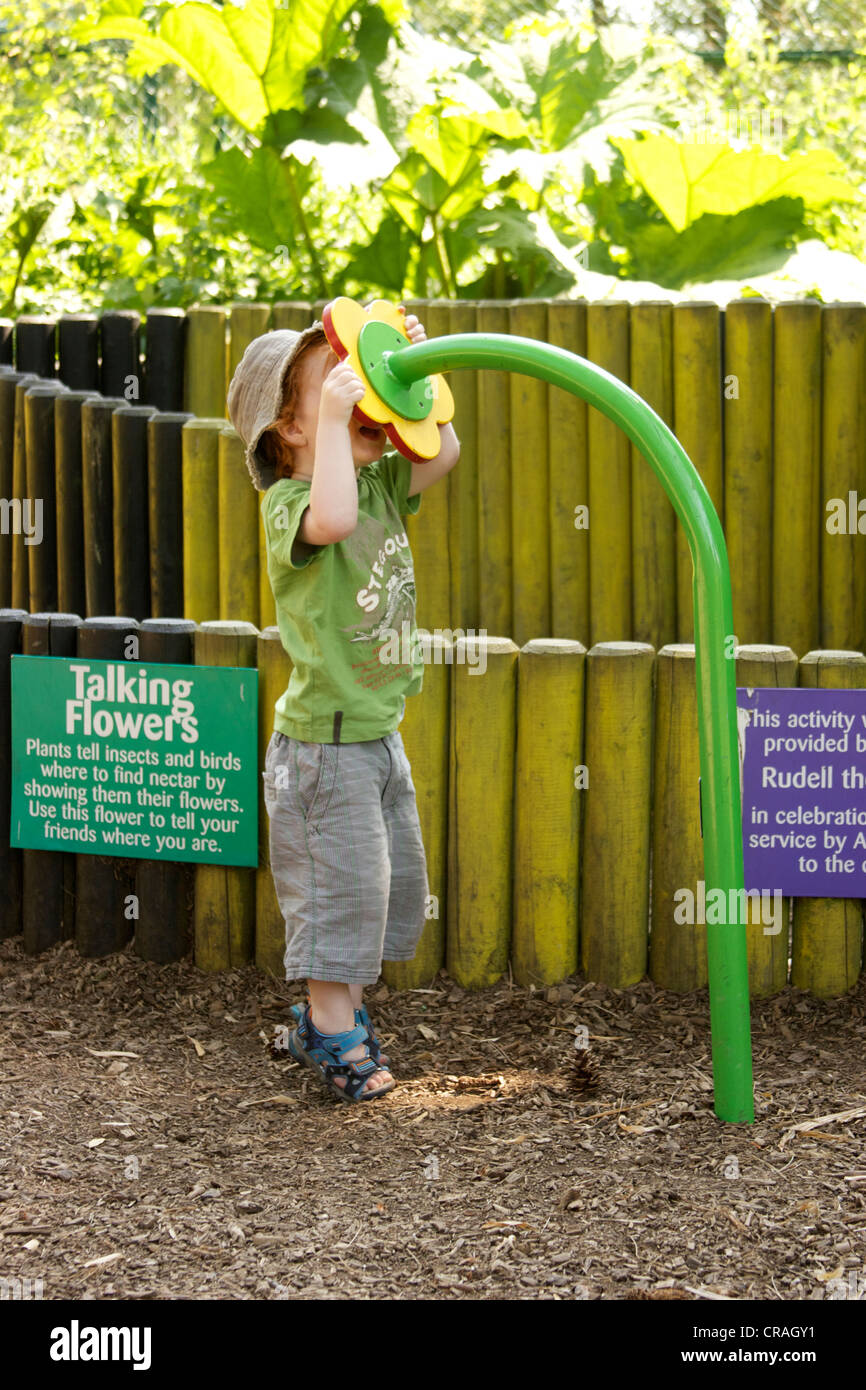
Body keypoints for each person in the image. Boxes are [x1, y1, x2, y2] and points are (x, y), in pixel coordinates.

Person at [227, 307, 460, 1102]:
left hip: (375, 732)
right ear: (286, 432)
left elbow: (445, 451)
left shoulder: (379, 480)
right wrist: (335, 417)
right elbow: (334, 517)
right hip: (321, 748)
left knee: (379, 888)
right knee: (341, 890)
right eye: (333, 384)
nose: (356, 392)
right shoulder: (291, 509)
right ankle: (331, 1035)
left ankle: (331, 1018)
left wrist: (415, 370)